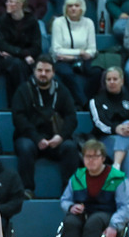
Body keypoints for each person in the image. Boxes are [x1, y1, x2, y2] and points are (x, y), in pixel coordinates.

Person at [58, 139, 129, 237]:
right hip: (85, 213)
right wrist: (70, 206)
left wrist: (114, 225)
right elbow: (64, 199)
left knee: (94, 222)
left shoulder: (116, 178)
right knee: (70, 220)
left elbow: (127, 205)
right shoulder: (77, 176)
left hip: (108, 214)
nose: (91, 160)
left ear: (103, 158)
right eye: (87, 156)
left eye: (95, 156)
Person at [11, 56, 79, 198]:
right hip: (31, 138)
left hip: (56, 139)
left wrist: (60, 137)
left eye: (47, 70)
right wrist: (37, 138)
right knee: (24, 147)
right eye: (40, 70)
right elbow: (19, 118)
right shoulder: (23, 90)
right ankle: (27, 190)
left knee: (71, 147)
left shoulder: (62, 91)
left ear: (53, 72)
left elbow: (71, 117)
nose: (43, 73)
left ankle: (69, 191)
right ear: (34, 71)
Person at [89, 66, 129, 191]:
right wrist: (116, 129)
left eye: (115, 79)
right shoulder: (96, 100)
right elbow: (99, 123)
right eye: (109, 79)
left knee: (128, 122)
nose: (112, 82)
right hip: (107, 140)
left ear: (122, 81)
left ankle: (116, 166)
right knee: (126, 153)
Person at [50, 0, 97, 108]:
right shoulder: (58, 22)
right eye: (70, 6)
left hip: (82, 59)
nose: (73, 8)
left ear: (82, 8)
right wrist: (80, 52)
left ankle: (87, 99)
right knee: (67, 73)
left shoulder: (89, 23)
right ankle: (85, 103)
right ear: (66, 8)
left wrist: (76, 55)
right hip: (62, 60)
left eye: (76, 5)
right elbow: (56, 50)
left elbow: (92, 49)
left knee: (96, 72)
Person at [0, 0, 42, 100]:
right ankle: (23, 100)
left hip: (27, 58)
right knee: (17, 64)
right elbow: (1, 44)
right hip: (8, 59)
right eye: (7, 1)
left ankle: (20, 100)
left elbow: (36, 46)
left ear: (20, 4)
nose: (7, 4)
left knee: (21, 65)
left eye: (11, 2)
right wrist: (24, 54)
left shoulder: (32, 21)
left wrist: (18, 53)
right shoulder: (2, 20)